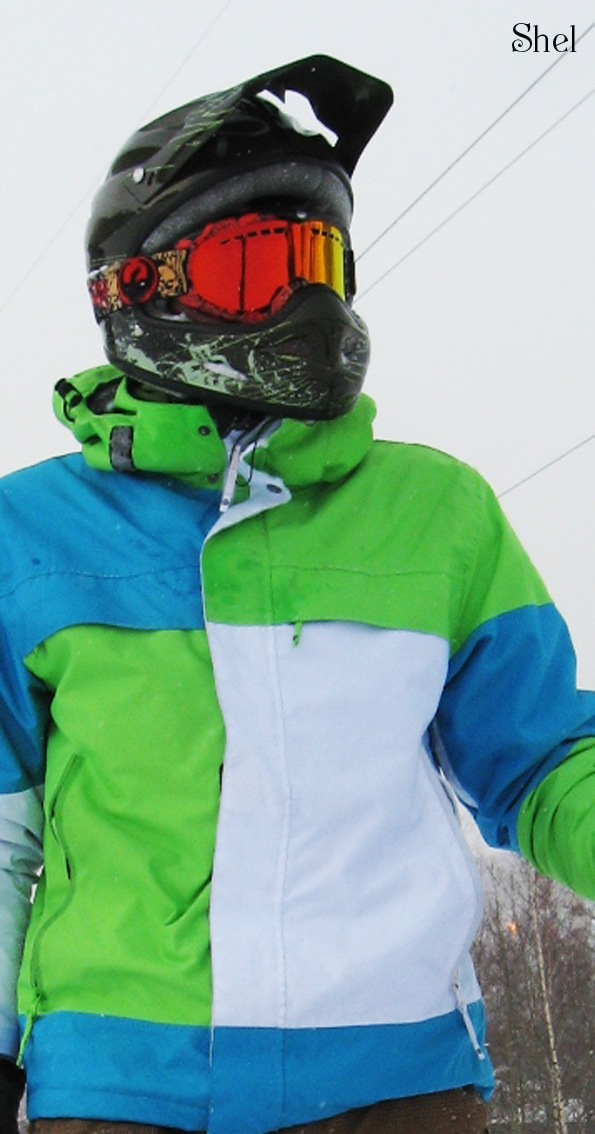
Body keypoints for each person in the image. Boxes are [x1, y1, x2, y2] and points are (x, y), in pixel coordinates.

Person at [0, 54, 593, 1134]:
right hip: (125, 1090)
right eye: (252, 269)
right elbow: (2, 836)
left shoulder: (436, 510)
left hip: (394, 1084)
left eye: (319, 263)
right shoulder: (28, 533)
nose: (304, 306)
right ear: (138, 291)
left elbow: (543, 759)